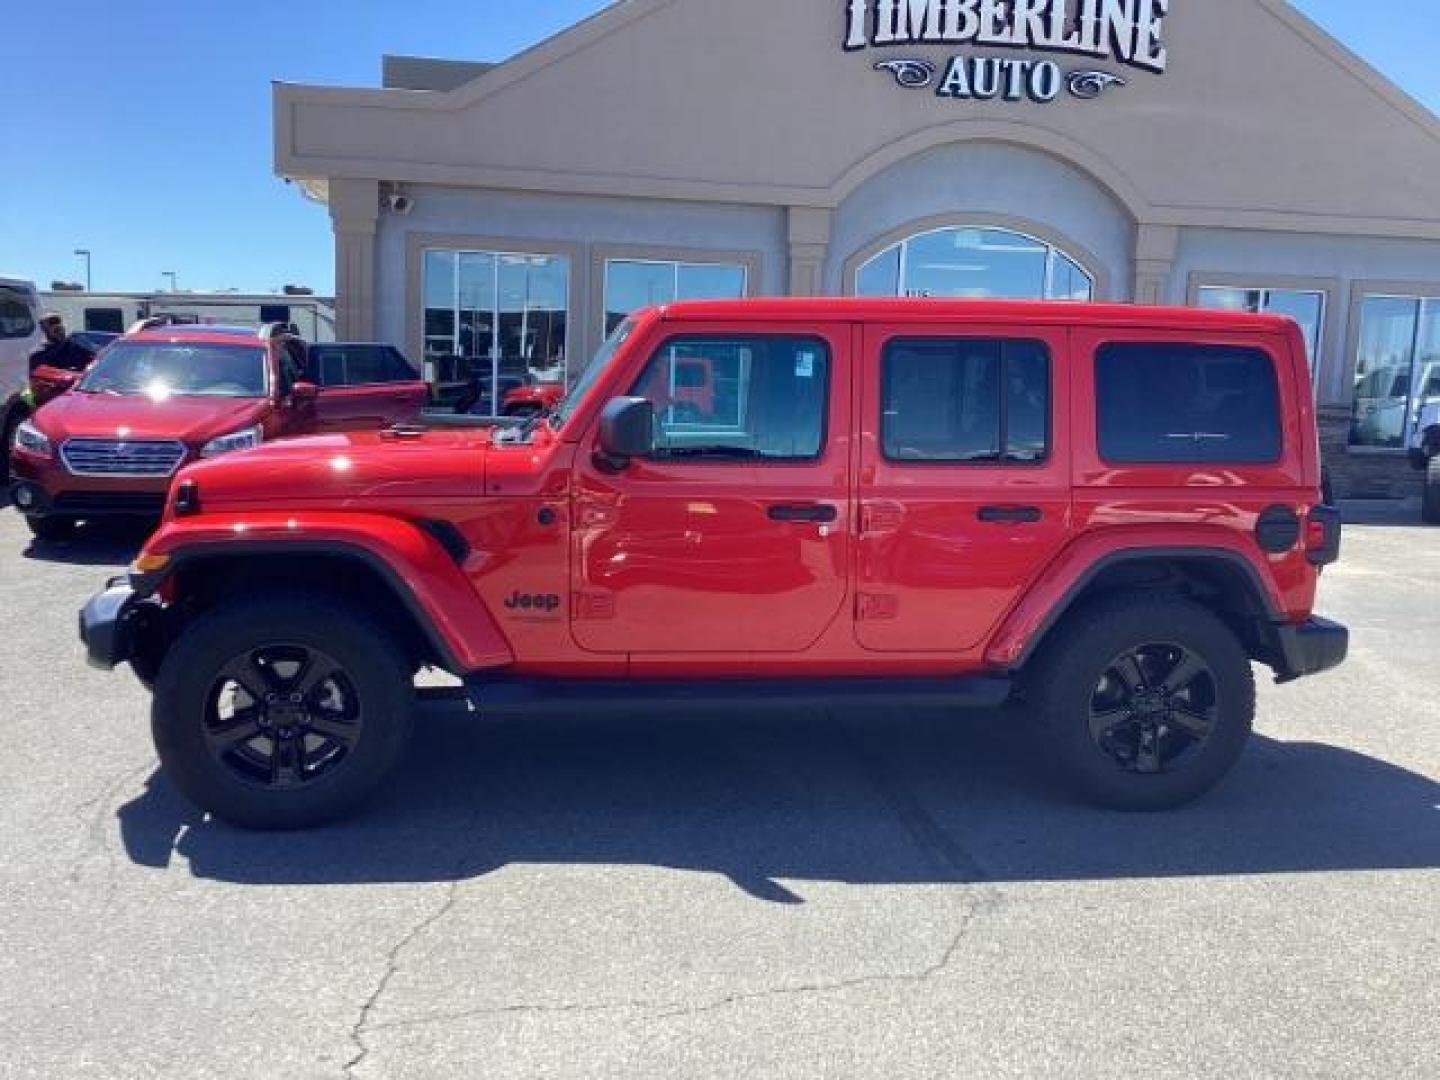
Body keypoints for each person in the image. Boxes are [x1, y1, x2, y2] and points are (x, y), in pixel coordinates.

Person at [29, 314, 96, 376]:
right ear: (45, 331)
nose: (60, 332)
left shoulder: (78, 346)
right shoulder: (39, 355)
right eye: (56, 330)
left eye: (60, 328)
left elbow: (97, 358)